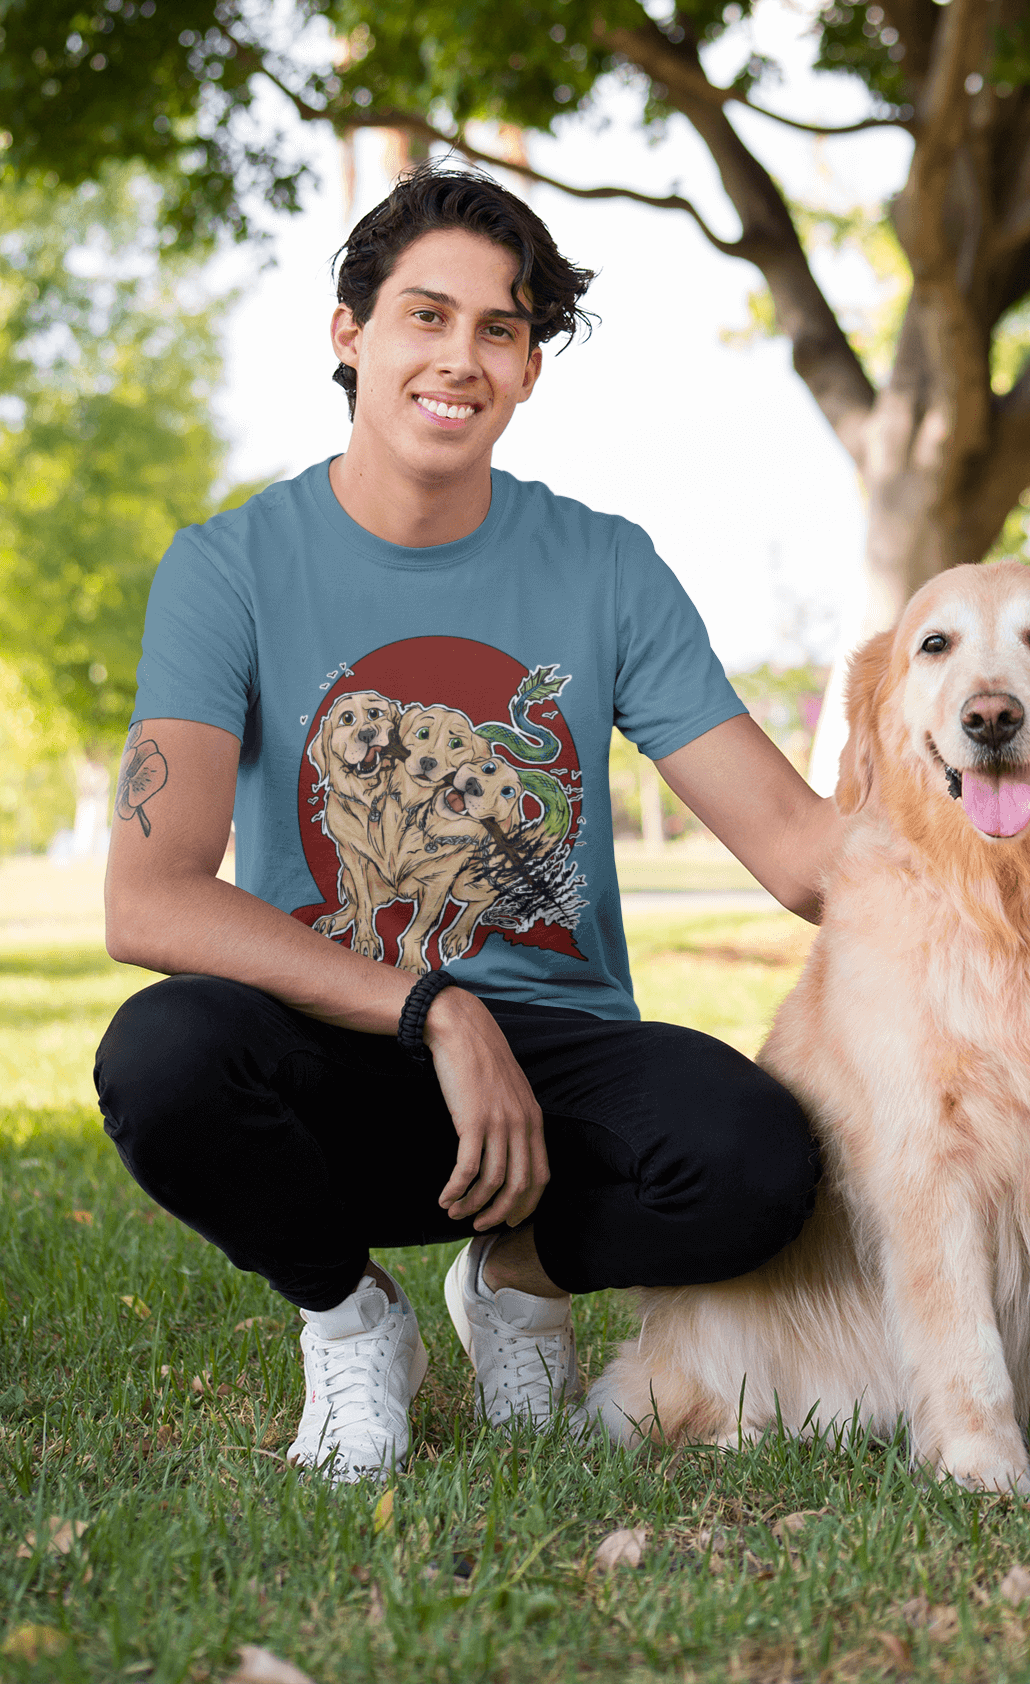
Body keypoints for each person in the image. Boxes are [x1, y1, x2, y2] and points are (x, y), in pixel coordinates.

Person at [98, 166, 839, 1481]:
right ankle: (352, 1313)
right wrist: (434, 1007)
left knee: (758, 1160)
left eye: (500, 329)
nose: (461, 357)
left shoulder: (605, 565)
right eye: (425, 315)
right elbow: (148, 898)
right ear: (350, 331)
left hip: (554, 1081)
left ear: (531, 366)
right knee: (163, 1057)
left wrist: (1016, 840)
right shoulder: (227, 568)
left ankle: (520, 1274)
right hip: (340, 1040)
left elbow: (797, 848)